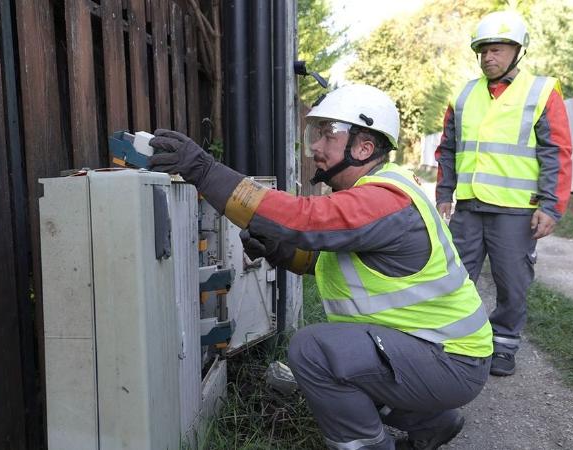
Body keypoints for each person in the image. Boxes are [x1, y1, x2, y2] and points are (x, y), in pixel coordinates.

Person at [149, 84, 492, 450]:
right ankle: (433, 421)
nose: (314, 147)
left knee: (315, 351)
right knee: (346, 355)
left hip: (449, 361)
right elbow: (337, 264)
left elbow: (303, 219)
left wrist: (204, 171)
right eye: (315, 133)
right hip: (440, 353)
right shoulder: (376, 196)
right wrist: (282, 252)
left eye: (327, 134)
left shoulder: (382, 199)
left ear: (364, 147)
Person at [435, 10, 573, 376]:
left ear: (517, 52)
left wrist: (551, 205)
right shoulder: (463, 94)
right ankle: (455, 340)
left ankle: (504, 344)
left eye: (496, 50)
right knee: (455, 278)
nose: (488, 58)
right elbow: (448, 148)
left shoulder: (542, 92)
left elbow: (556, 152)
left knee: (512, 282)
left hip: (515, 210)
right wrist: (444, 192)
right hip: (467, 207)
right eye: (483, 51)